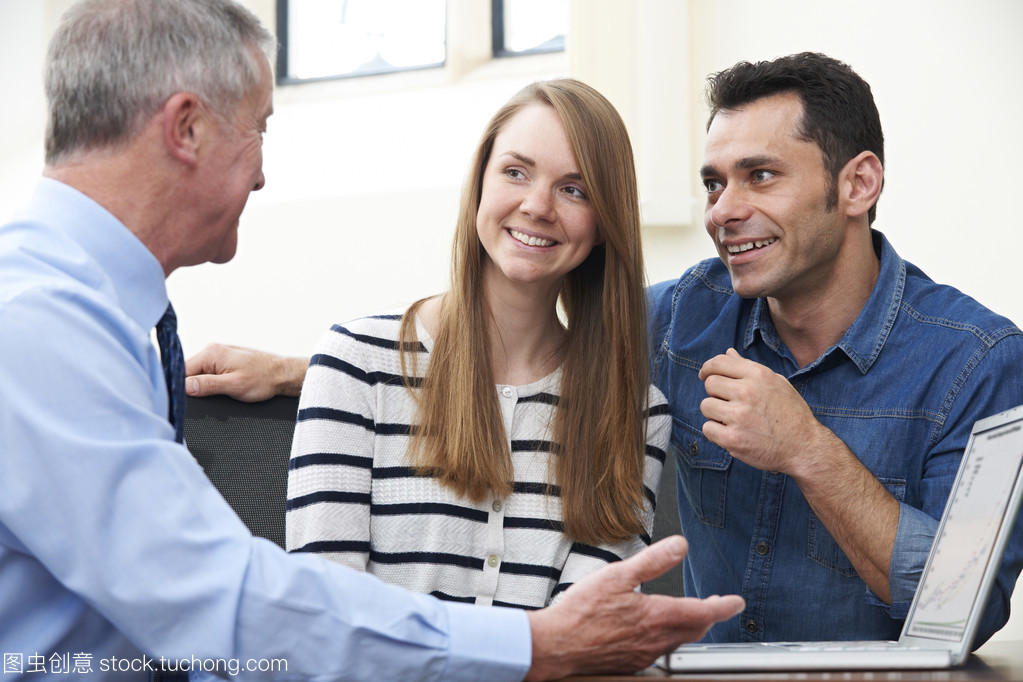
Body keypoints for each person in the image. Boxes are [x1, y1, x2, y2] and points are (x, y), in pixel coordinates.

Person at [0, 1, 746, 680]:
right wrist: (533, 645)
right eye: (258, 128)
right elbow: (226, 604)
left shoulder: (95, 317)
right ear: (186, 127)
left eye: (575, 188)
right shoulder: (38, 325)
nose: (261, 174)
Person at [187, 52, 1023, 649]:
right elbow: (516, 339)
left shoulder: (978, 361)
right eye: (711, 181)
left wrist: (806, 449)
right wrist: (313, 371)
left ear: (857, 184)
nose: (723, 209)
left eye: (759, 176)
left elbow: (967, 607)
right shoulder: (684, 320)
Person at [287, 79, 670, 609]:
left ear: (604, 223)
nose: (537, 206)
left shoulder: (632, 413)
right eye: (516, 172)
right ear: (480, 187)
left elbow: (580, 635)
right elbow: (325, 612)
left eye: (574, 189)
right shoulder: (355, 365)